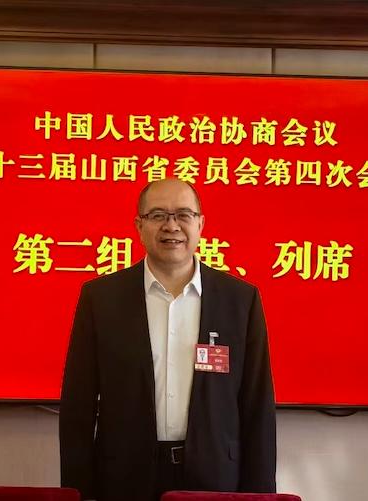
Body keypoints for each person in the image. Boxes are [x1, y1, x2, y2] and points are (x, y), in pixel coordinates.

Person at [60, 179, 276, 501]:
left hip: (214, 478)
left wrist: (260, 496)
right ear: (139, 226)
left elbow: (257, 407)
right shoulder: (101, 299)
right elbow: (78, 406)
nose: (171, 226)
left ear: (200, 224)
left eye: (184, 215)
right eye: (158, 215)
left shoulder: (240, 301)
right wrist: (78, 492)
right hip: (124, 478)